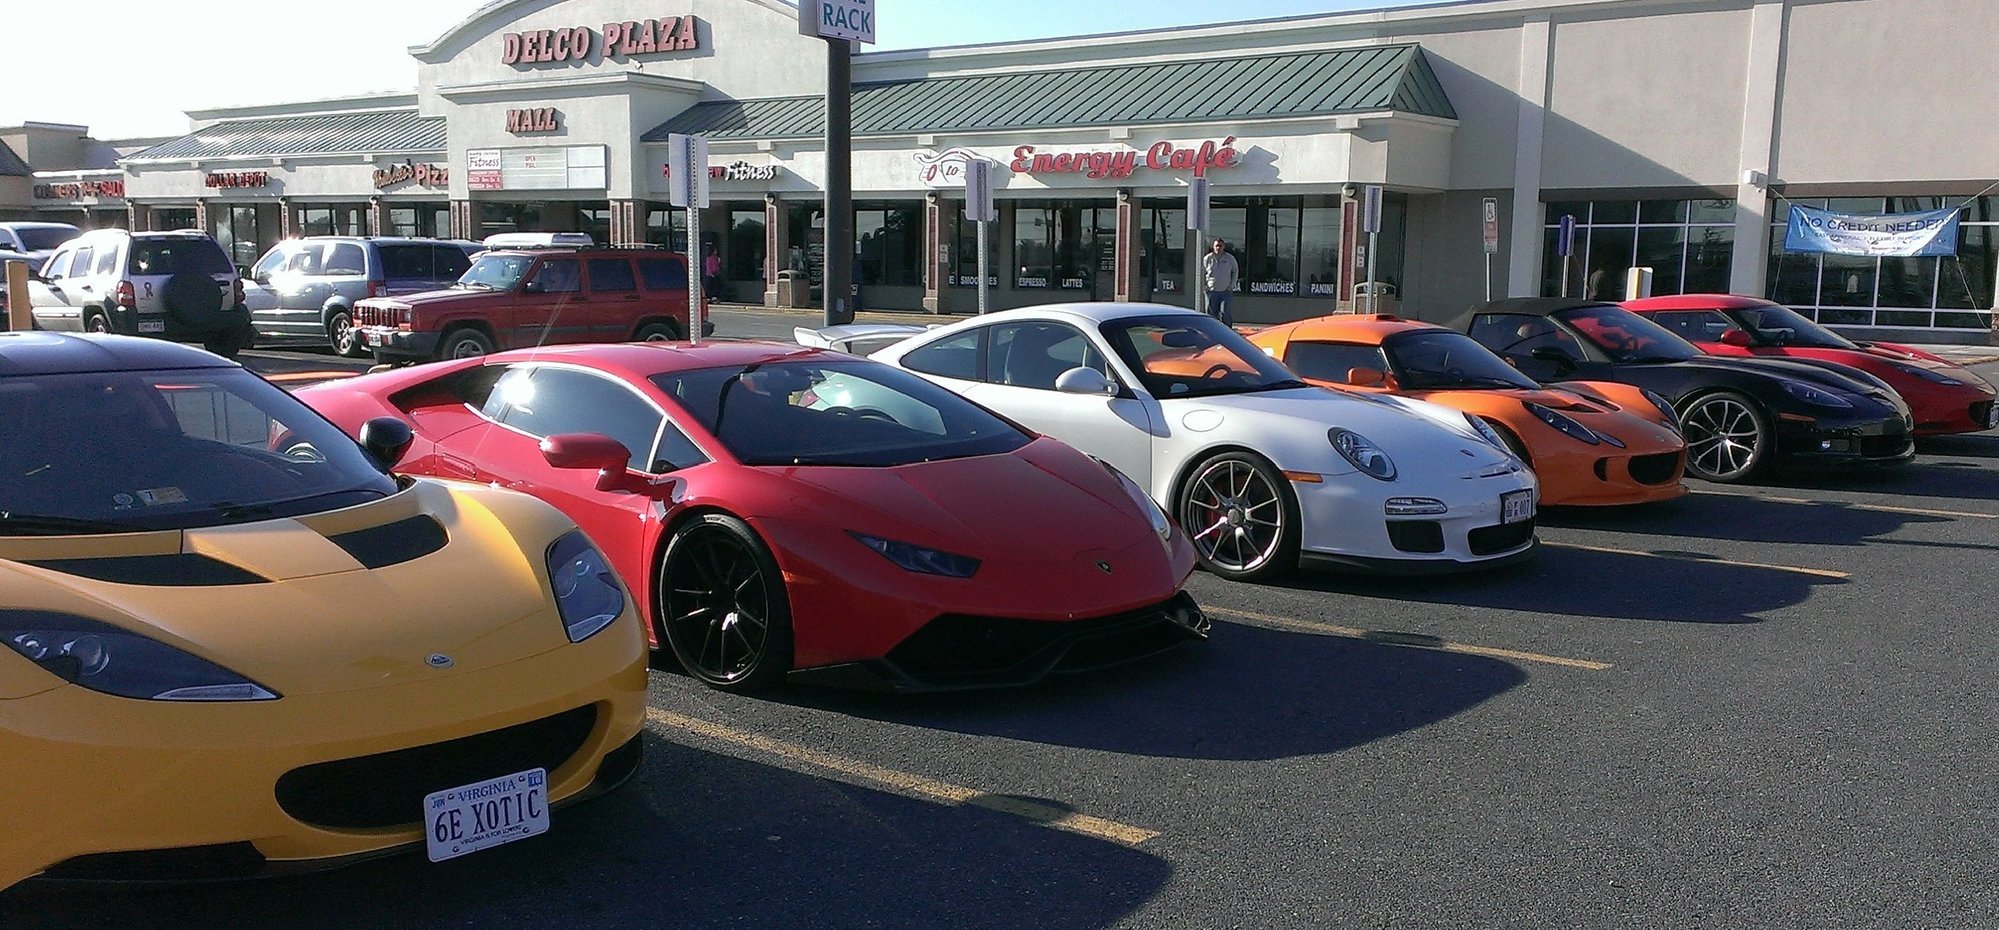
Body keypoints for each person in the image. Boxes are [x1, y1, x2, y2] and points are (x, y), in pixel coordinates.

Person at [1201, 239, 1239, 324]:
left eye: (1220, 246)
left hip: (1225, 291)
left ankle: (1227, 333)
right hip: (1212, 291)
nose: (1218, 247)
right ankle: (1212, 333)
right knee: (1211, 315)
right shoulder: (1207, 258)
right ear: (1213, 247)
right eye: (1216, 246)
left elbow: (1235, 270)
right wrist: (1204, 286)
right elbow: (1201, 272)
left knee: (1225, 313)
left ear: (1223, 247)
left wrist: (1231, 286)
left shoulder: (1229, 258)